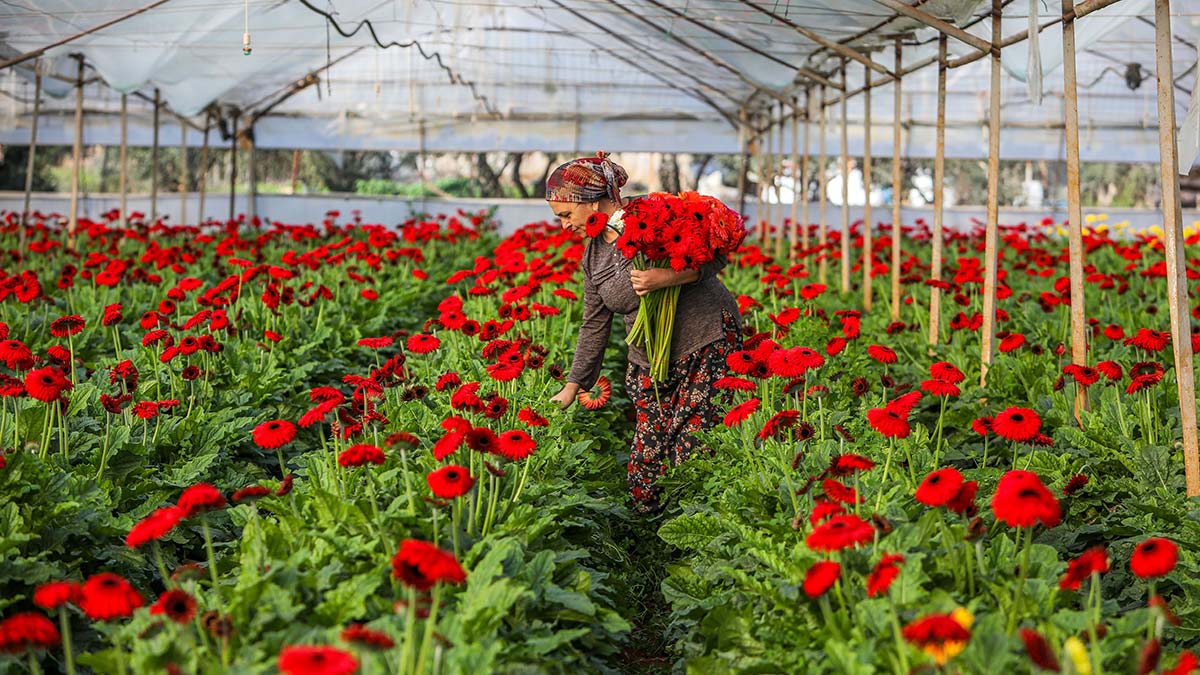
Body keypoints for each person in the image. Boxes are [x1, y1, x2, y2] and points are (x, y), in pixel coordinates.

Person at [546, 152, 743, 515]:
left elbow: (716, 255)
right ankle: (648, 539)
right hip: (648, 359)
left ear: (590, 201)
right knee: (645, 463)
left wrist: (671, 277)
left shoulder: (654, 213)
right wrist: (573, 387)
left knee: (693, 447)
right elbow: (594, 323)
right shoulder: (593, 258)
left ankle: (691, 538)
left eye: (565, 216)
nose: (563, 226)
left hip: (703, 339)